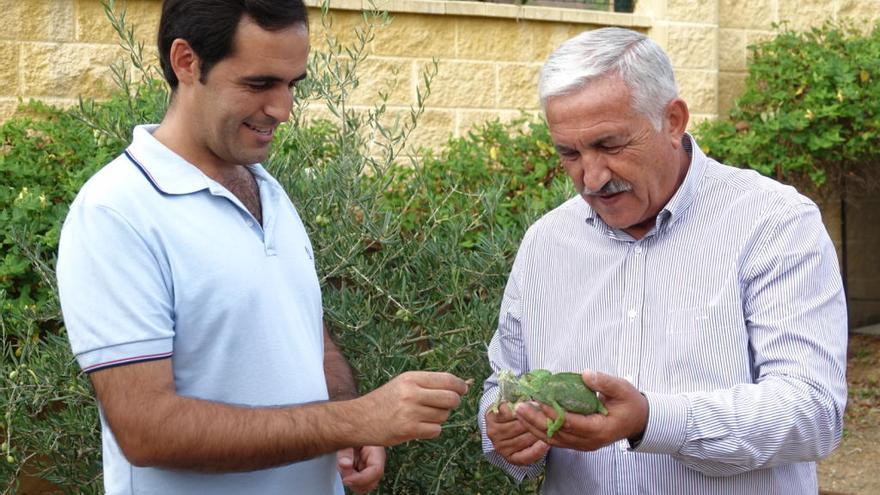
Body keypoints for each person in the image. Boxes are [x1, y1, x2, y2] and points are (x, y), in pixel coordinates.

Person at [56, 1, 469, 494]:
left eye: (292, 84)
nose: (282, 109)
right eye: (258, 84)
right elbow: (148, 431)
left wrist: (349, 422)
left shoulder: (267, 190)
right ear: (186, 62)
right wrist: (353, 420)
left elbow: (308, 338)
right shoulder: (117, 212)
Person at [479, 27, 847, 493]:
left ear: (673, 120)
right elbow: (503, 381)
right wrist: (506, 433)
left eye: (610, 145)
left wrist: (651, 421)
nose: (590, 178)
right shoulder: (546, 241)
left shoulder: (774, 223)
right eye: (569, 153)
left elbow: (812, 412)